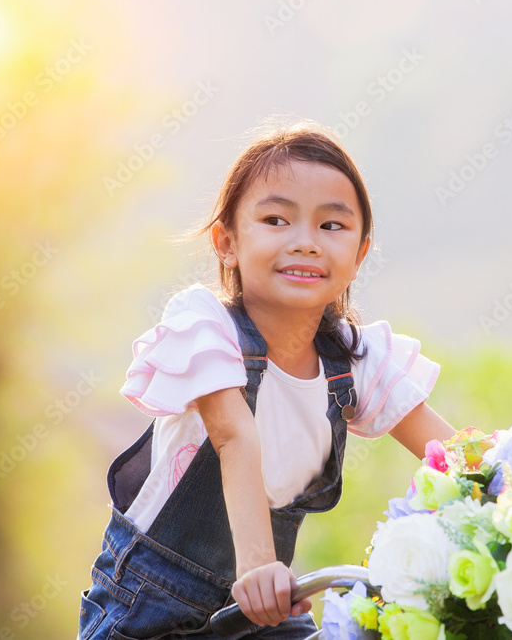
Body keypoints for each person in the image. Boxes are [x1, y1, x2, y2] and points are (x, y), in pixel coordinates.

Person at [77, 119, 455, 639]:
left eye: (332, 226)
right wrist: (257, 565)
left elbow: (452, 457)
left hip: (267, 608)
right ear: (226, 242)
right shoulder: (207, 326)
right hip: (152, 603)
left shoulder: (356, 358)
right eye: (276, 220)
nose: (305, 242)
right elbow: (234, 436)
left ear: (360, 252)